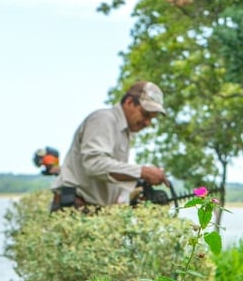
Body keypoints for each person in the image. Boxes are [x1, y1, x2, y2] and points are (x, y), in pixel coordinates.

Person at [51, 80, 169, 210]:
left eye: (151, 118)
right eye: (145, 114)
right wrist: (142, 172)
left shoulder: (124, 132)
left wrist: (137, 185)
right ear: (129, 102)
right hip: (74, 207)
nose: (147, 123)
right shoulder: (104, 120)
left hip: (93, 210)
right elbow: (94, 165)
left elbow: (109, 173)